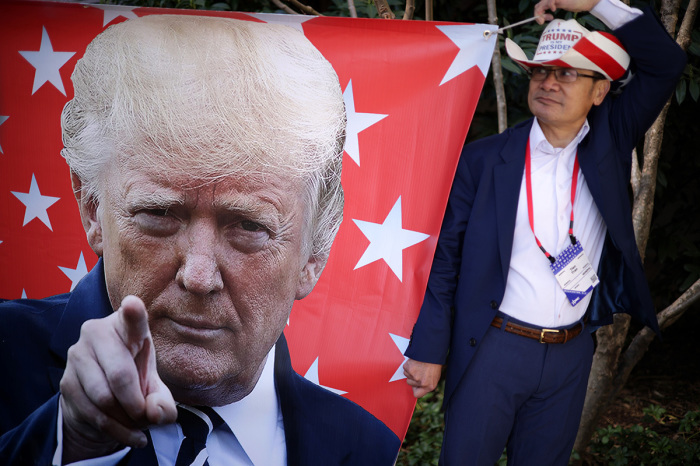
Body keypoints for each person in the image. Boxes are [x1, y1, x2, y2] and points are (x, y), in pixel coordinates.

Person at [0, 14, 400, 465]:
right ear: (92, 206)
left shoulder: (370, 451)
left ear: (315, 252)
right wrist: (70, 447)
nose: (198, 275)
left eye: (249, 226)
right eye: (159, 213)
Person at [403, 0, 686, 464]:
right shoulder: (484, 159)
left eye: (568, 74)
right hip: (492, 349)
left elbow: (667, 62)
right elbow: (446, 258)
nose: (549, 83)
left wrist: (595, 4)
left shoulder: (610, 141)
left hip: (570, 355)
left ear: (600, 93)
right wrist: (429, 349)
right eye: (540, 72)